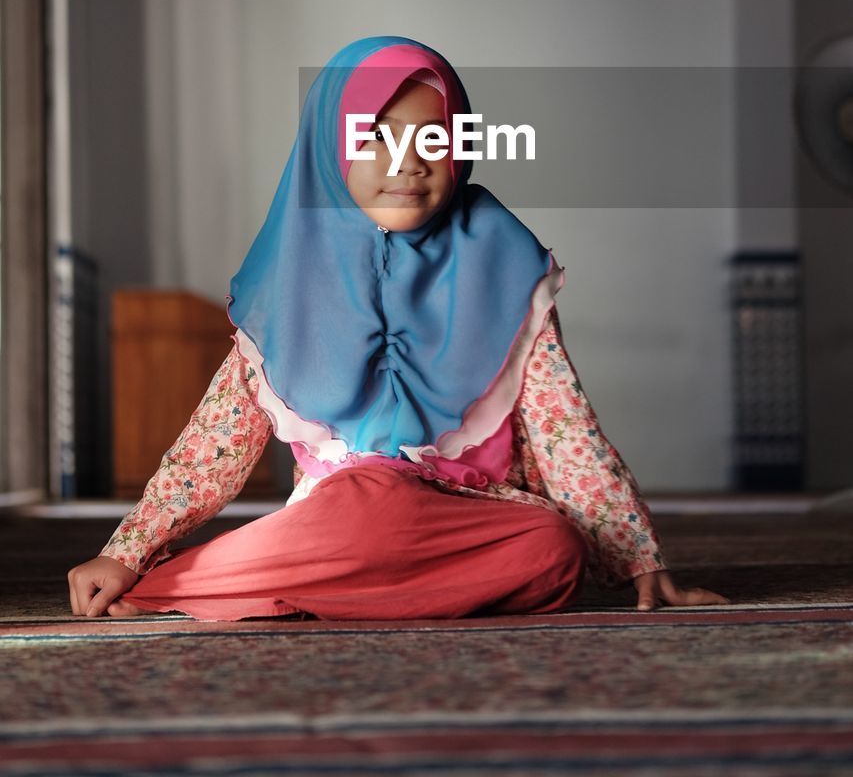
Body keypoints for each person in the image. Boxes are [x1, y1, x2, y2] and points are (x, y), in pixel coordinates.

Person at [68, 35, 730, 622]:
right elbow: (214, 446)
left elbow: (567, 432)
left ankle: (289, 588)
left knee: (553, 550)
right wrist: (127, 553)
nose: (408, 162)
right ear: (328, 151)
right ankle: (217, 580)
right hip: (343, 514)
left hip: (469, 514)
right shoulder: (287, 277)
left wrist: (635, 557)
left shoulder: (504, 261)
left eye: (432, 139)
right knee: (367, 506)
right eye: (377, 138)